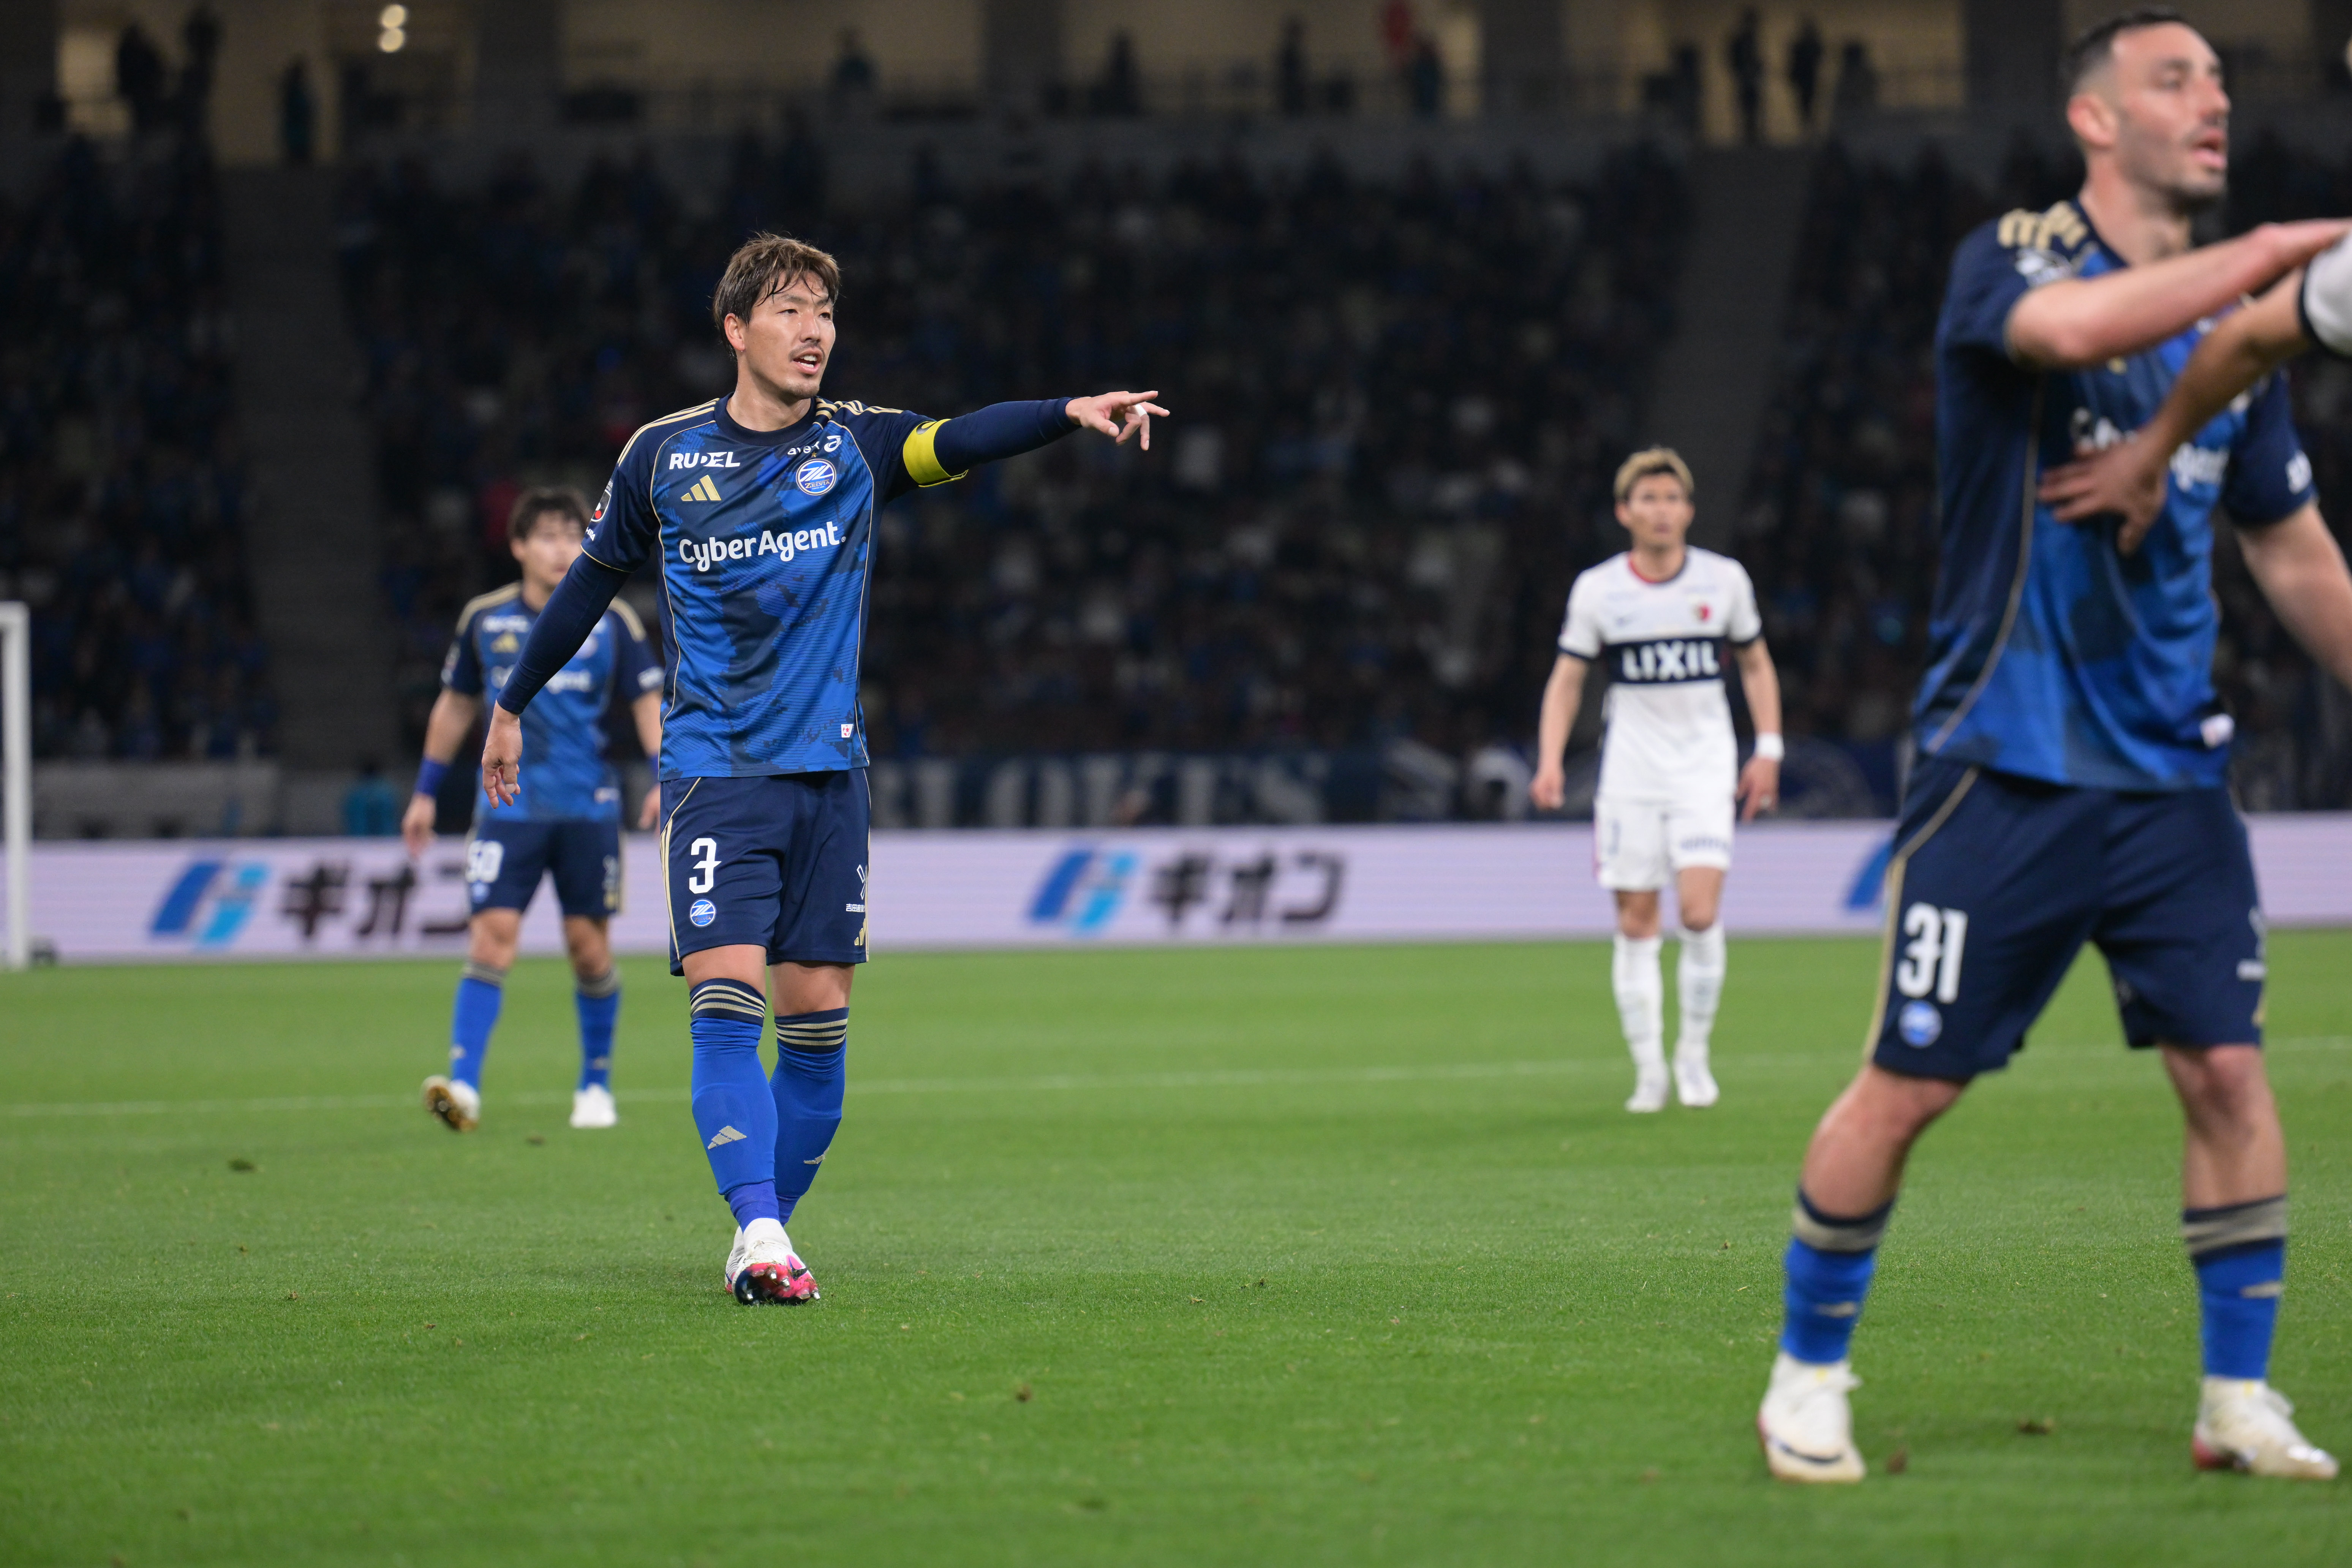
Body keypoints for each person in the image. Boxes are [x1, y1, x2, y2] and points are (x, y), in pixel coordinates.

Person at [1754, 9, 2352, 1485]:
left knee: (2228, 1077)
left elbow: (2290, 552)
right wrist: (2282, 249)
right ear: (2095, 119)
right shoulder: (2013, 258)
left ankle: (2236, 1397)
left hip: (2172, 780)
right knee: (1909, 1085)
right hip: (2005, 766)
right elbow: (2076, 337)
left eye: (2220, 78)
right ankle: (1806, 1373)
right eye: (2174, 78)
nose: (2213, 100)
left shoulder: (2238, 348)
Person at [481, 231, 1166, 1305]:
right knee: (726, 1005)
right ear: (736, 328)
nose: (815, 333)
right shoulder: (662, 457)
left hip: (831, 776)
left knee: (818, 1037)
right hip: (716, 772)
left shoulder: (857, 445)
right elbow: (588, 586)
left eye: (827, 314)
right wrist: (511, 703)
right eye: (792, 311)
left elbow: (959, 437)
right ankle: (760, 1230)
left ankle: (762, 1231)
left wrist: (1065, 411)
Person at [1529, 449, 1781, 1113]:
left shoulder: (1723, 581)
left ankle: (1693, 1055)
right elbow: (1567, 679)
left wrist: (1769, 748)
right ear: (1625, 512)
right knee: (1637, 922)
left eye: (1672, 499)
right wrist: (1551, 758)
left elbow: (1756, 663)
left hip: (1703, 769)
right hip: (1631, 775)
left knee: (1698, 912)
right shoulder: (1598, 590)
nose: (1661, 511)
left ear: (1689, 510)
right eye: (1648, 499)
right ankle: (1649, 1071)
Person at [410, 488, 663, 1136]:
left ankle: (596, 1085)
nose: (560, 549)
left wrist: (665, 776)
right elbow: (455, 705)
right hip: (507, 807)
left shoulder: (614, 619)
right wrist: (425, 791)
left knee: (588, 950)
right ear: (518, 545)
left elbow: (646, 702)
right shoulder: (484, 619)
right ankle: (464, 1085)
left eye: (571, 535)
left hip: (587, 807)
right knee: (491, 935)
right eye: (546, 536)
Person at [1727, 9, 1764, 145]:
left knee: (1752, 106)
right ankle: (1749, 134)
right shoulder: (1744, 40)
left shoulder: (1750, 39)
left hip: (1750, 77)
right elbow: (1736, 59)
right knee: (1748, 106)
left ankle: (1751, 134)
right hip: (1746, 78)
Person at [1786, 17, 1824, 132]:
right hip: (1806, 77)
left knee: (1807, 102)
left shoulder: (1803, 45)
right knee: (1807, 102)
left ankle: (1808, 124)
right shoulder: (1806, 45)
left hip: (1807, 77)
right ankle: (1808, 124)